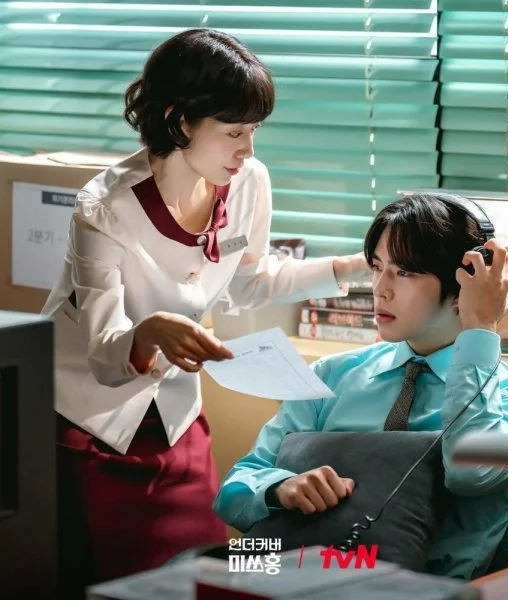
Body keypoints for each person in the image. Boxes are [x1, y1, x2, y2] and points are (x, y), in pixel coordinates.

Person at [40, 28, 369, 594]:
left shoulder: (247, 182)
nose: (248, 150)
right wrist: (150, 333)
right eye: (234, 132)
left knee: (203, 569)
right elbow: (103, 355)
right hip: (89, 422)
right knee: (113, 584)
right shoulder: (104, 207)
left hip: (176, 418)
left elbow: (251, 281)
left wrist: (357, 267)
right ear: (179, 121)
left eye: (254, 131)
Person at [213, 193, 508, 580]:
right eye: (378, 267)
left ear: (464, 282)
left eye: (405, 272)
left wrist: (480, 328)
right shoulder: (331, 376)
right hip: (295, 579)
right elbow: (232, 492)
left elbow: (470, 474)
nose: (380, 288)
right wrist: (279, 487)